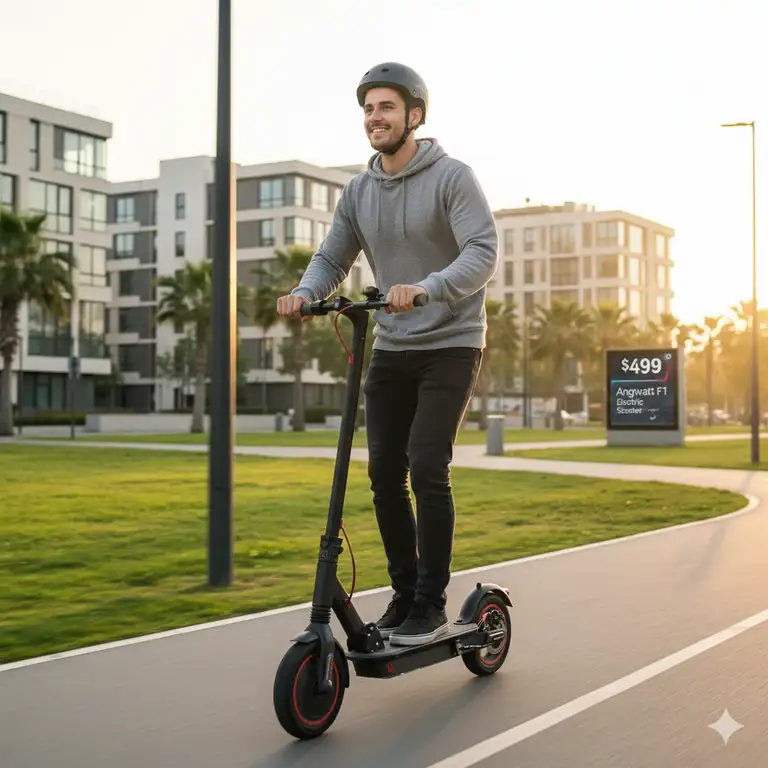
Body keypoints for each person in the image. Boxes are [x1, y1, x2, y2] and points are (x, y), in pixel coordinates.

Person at [276, 62, 498, 646]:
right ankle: (404, 595)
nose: (375, 118)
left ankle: (431, 600)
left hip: (450, 340)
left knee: (427, 463)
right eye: (368, 109)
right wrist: (305, 293)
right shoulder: (359, 190)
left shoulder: (452, 177)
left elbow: (482, 252)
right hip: (394, 345)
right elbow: (333, 258)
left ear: (415, 116)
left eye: (387, 108)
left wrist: (428, 287)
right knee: (382, 474)